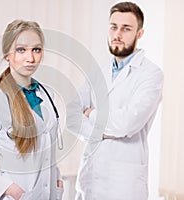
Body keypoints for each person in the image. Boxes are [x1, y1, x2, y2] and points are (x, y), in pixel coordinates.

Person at [68, 2, 164, 200]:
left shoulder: (151, 74)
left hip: (124, 186)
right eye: (113, 27)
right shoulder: (98, 72)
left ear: (139, 34)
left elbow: (127, 123)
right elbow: (71, 116)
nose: (117, 34)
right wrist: (103, 132)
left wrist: (92, 114)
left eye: (126, 29)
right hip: (90, 181)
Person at [0, 19, 64, 200]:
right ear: (7, 55)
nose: (30, 58)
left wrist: (57, 182)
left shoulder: (47, 95)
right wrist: (10, 189)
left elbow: (47, 150)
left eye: (36, 49)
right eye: (21, 50)